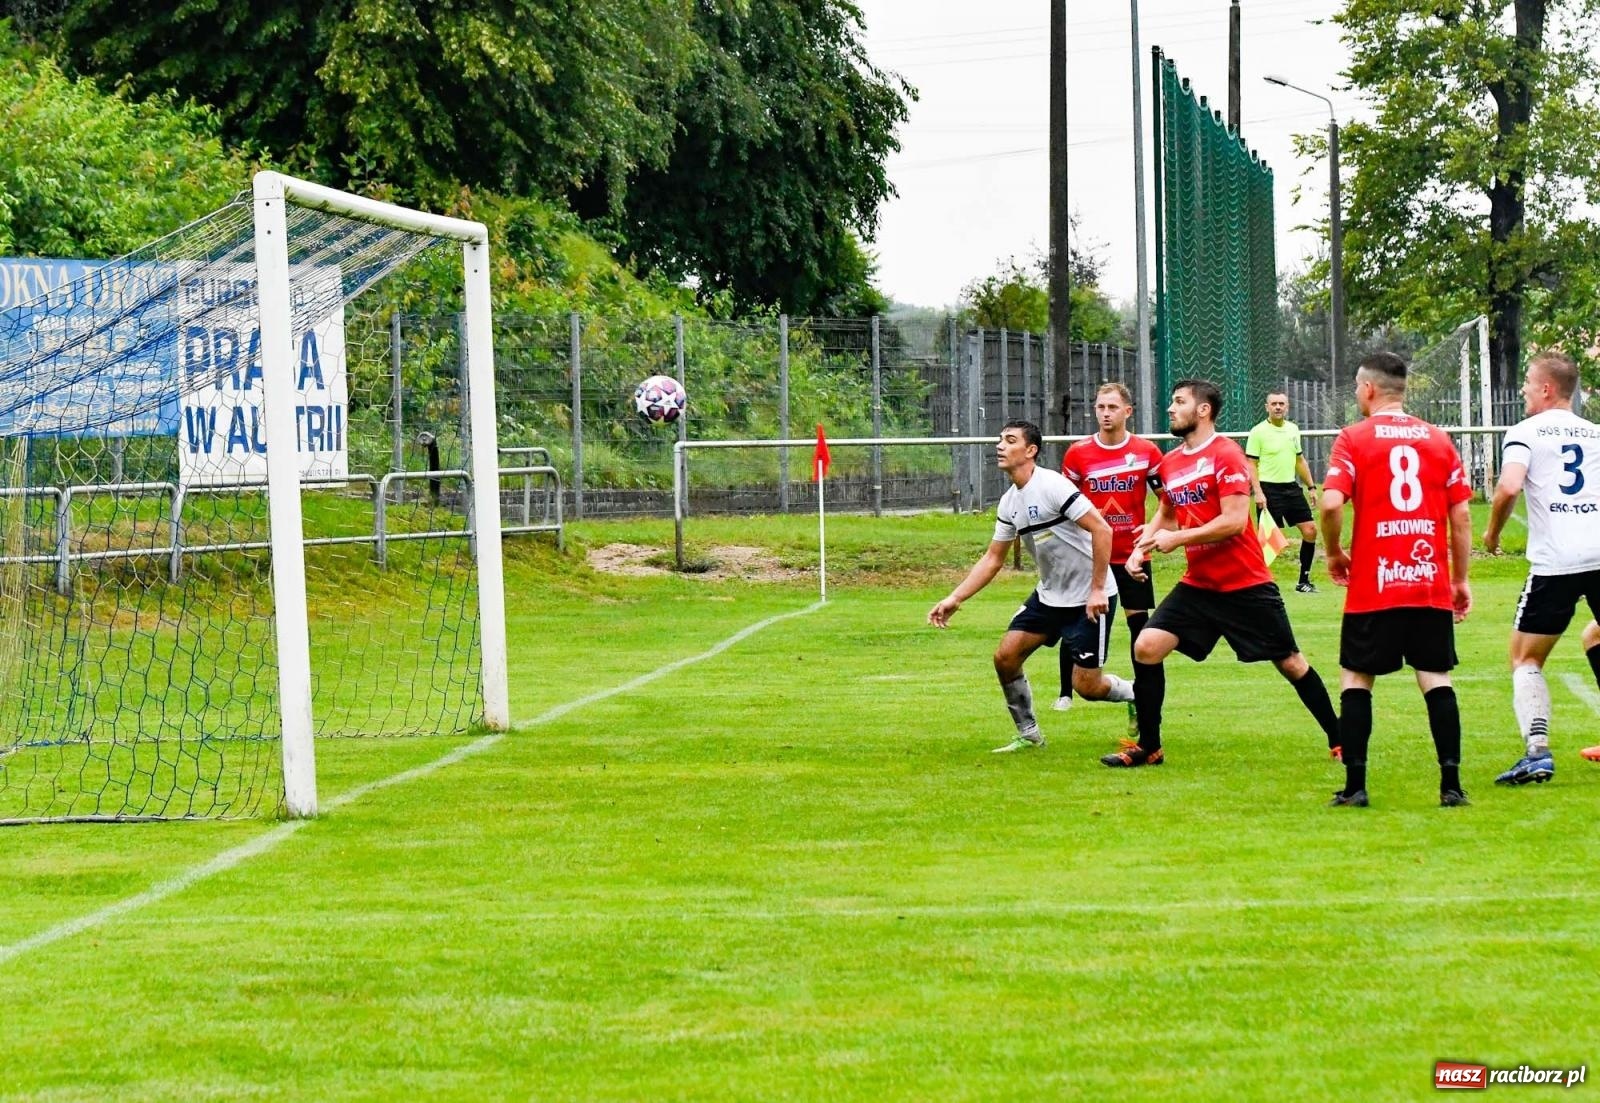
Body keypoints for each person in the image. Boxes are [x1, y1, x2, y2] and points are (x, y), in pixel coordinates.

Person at [1107, 380, 1340, 767]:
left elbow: (1233, 522)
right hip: (1200, 585)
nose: (1170, 408)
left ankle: (1339, 737)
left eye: (1179, 401)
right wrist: (1139, 550)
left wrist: (1177, 538)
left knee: (1291, 663)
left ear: (1203, 411)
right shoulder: (1172, 462)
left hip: (1245, 583)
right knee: (1146, 647)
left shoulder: (1227, 454)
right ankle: (1150, 747)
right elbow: (1165, 512)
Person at [1319, 352, 1474, 808]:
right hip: (1427, 580)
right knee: (1436, 677)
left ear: (1368, 389)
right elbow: (1460, 515)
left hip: (1375, 584)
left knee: (1356, 678)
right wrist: (1459, 578)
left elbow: (1330, 504)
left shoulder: (1353, 438)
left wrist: (1333, 552)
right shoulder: (1439, 439)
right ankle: (1451, 786)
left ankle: (1356, 786)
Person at [929, 419, 1135, 753]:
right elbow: (993, 558)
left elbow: (1102, 530)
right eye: (1000, 439)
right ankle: (1029, 734)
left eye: (1009, 440)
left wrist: (1097, 589)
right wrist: (955, 597)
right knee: (1005, 656)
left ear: (1030, 450)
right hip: (1050, 597)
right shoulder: (1010, 502)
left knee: (1087, 686)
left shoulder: (1054, 486)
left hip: (1089, 598)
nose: (1000, 446)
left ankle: (1135, 693)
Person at [1481, 352, 1600, 785]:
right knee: (1594, 635)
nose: (1524, 390)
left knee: (1525, 657)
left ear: (1548, 388)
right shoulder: (1595, 434)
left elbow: (1510, 484)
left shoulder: (1525, 432)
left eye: (1529, 382)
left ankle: (1537, 752)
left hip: (1557, 563)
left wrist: (1492, 534)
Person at [1056, 382, 1166, 716]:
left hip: (1132, 556)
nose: (1105, 413)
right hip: (1091, 557)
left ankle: (1141, 692)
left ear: (1128, 411)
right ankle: (1065, 693)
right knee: (1076, 621)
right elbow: (1063, 504)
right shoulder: (1078, 454)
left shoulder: (1147, 452)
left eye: (1113, 407)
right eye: (1101, 407)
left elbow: (1167, 504)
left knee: (1139, 627)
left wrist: (1152, 532)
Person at [1246, 391, 1320, 593]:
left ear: (1287, 407)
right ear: (1266, 407)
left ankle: (1303, 581)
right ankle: (1255, 584)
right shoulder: (1258, 432)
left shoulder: (1293, 430)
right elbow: (1251, 464)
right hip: (1268, 489)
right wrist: (1258, 492)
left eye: (1281, 404)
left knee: (1310, 530)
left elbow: (1300, 460)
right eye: (1274, 404)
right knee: (1265, 541)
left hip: (1291, 488)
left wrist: (1311, 487)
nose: (1278, 407)